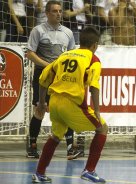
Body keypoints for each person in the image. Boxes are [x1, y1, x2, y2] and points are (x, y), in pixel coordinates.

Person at [32, 26, 108, 184]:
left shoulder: (64, 55)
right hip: (71, 104)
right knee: (102, 128)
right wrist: (97, 112)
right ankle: (89, 170)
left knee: (55, 135)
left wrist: (41, 102)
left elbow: (43, 78)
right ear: (95, 45)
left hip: (54, 102)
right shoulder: (93, 59)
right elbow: (94, 86)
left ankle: (39, 173)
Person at [26, 0, 81, 160]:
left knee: (65, 109)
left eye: (60, 11)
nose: (58, 14)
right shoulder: (38, 30)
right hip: (42, 76)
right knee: (40, 109)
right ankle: (32, 146)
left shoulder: (68, 33)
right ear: (47, 13)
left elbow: (72, 55)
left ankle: (71, 148)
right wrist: (49, 66)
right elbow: (30, 53)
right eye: (55, 11)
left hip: (61, 78)